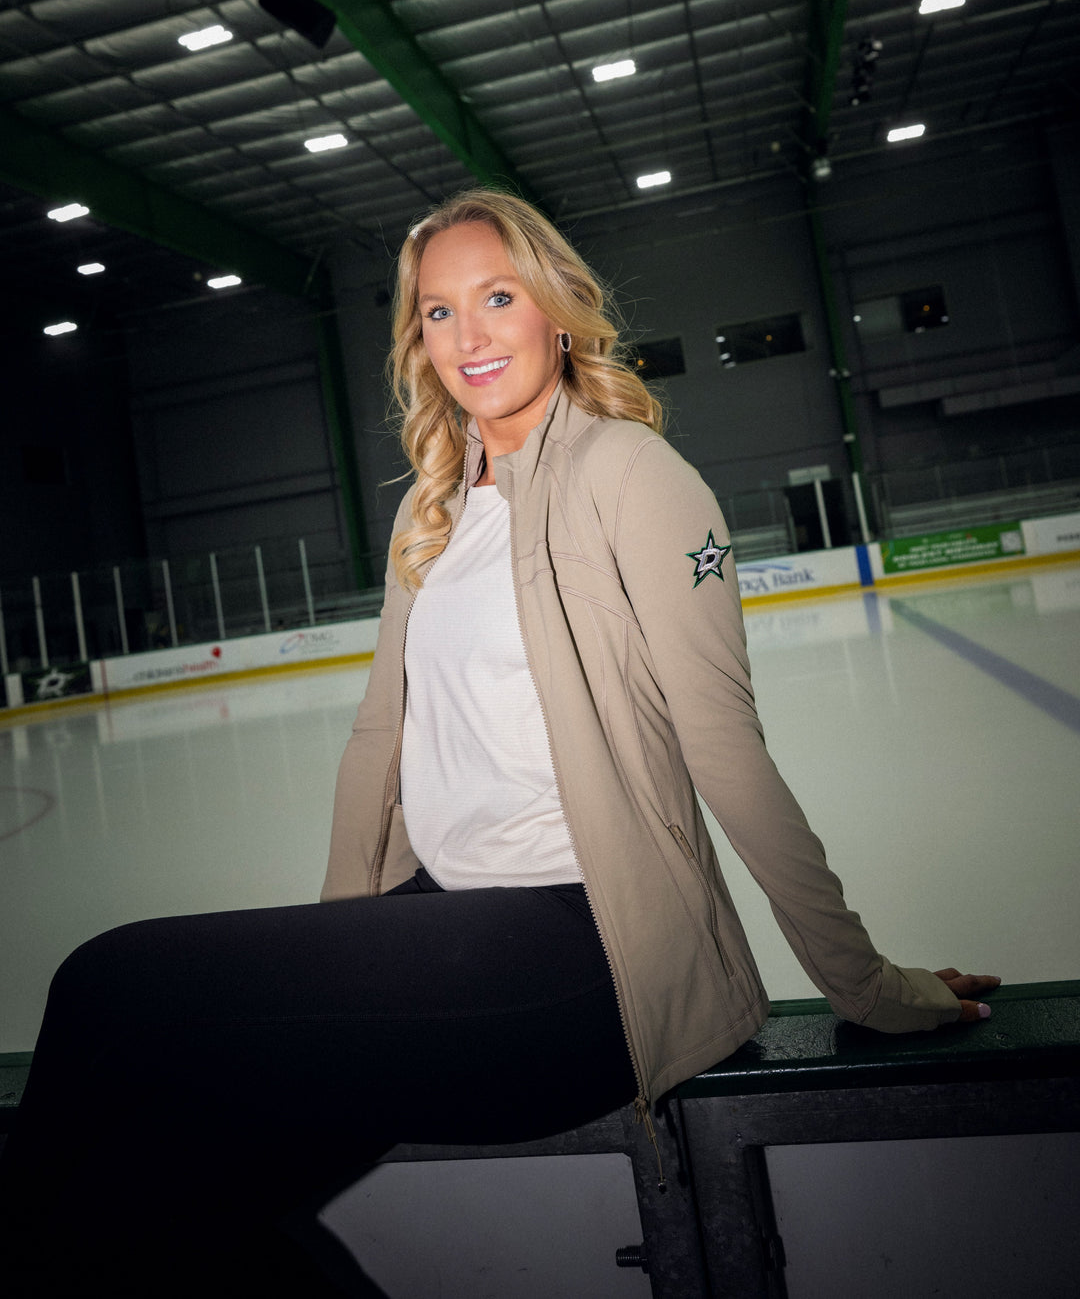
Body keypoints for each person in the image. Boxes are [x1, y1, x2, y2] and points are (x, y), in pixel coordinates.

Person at [0, 189, 998, 1297]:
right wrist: (334, 963)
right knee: (152, 1206)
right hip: (442, 926)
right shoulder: (429, 509)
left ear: (557, 311)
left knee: (106, 986)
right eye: (437, 312)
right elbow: (379, 738)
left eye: (497, 296)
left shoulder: (632, 476)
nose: (468, 336)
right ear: (414, 340)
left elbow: (726, 750)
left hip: (582, 957)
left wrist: (868, 984)